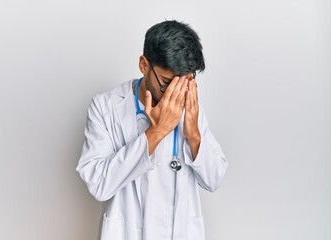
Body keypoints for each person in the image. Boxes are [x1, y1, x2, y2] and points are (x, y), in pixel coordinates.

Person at [76, 20, 228, 240]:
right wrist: (156, 132)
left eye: (184, 82)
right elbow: (98, 185)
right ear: (144, 65)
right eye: (167, 82)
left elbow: (214, 179)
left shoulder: (191, 107)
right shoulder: (105, 106)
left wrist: (194, 134)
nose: (174, 93)